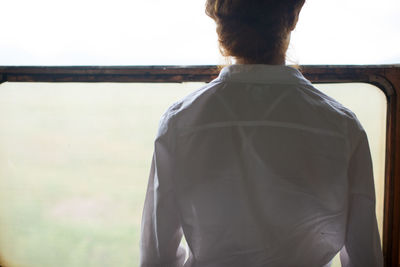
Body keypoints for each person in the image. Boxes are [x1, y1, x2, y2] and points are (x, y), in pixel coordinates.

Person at [139, 0, 384, 266]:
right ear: (293, 14)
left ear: (219, 24)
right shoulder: (342, 126)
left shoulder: (179, 123)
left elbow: (157, 257)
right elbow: (364, 257)